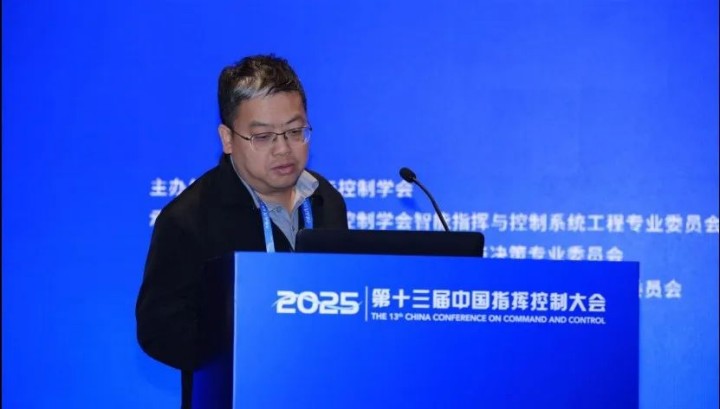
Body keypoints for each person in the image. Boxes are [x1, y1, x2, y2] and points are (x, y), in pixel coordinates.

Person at [135, 54, 348, 408]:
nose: (284, 149)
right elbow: (158, 330)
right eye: (263, 136)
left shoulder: (327, 200)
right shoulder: (188, 219)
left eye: (295, 131)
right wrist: (245, 347)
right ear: (228, 138)